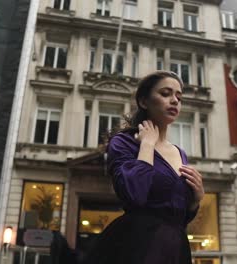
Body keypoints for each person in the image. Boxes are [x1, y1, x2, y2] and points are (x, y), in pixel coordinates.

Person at [81, 71, 205, 264]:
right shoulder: (124, 142)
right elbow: (134, 194)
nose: (174, 101)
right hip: (138, 244)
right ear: (144, 102)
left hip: (176, 248)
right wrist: (147, 145)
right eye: (165, 94)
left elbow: (178, 217)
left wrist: (195, 200)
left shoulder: (180, 153)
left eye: (179, 97)